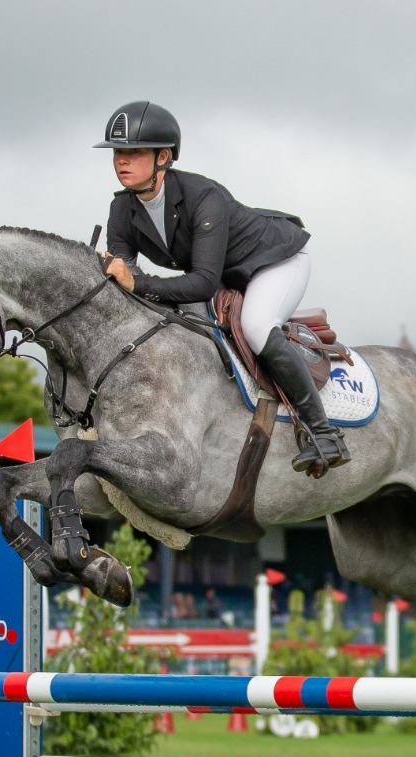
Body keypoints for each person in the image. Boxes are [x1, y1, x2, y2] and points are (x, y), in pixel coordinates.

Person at [94, 100, 350, 476]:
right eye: (118, 153)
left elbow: (201, 283)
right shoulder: (122, 211)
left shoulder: (204, 198)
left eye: (133, 152)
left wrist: (138, 282)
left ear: (163, 156)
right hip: (228, 274)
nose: (121, 161)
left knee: (257, 326)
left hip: (275, 261)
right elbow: (124, 282)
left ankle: (322, 431)